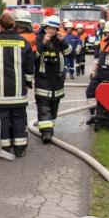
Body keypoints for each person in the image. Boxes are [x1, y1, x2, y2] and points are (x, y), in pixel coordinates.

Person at [0, 12, 35, 157]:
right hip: (18, 94)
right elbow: (29, 67)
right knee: (19, 119)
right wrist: (28, 83)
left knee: (2, 120)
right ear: (14, 24)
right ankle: (20, 149)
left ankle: (4, 149)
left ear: (0, 25)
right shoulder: (23, 42)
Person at [34, 15, 72, 143]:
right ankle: (46, 132)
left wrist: (63, 41)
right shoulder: (38, 39)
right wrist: (43, 43)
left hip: (57, 79)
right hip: (43, 78)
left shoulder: (59, 40)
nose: (52, 31)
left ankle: (50, 128)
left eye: (54, 29)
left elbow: (70, 52)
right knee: (43, 106)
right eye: (50, 28)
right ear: (45, 28)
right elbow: (34, 55)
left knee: (54, 105)